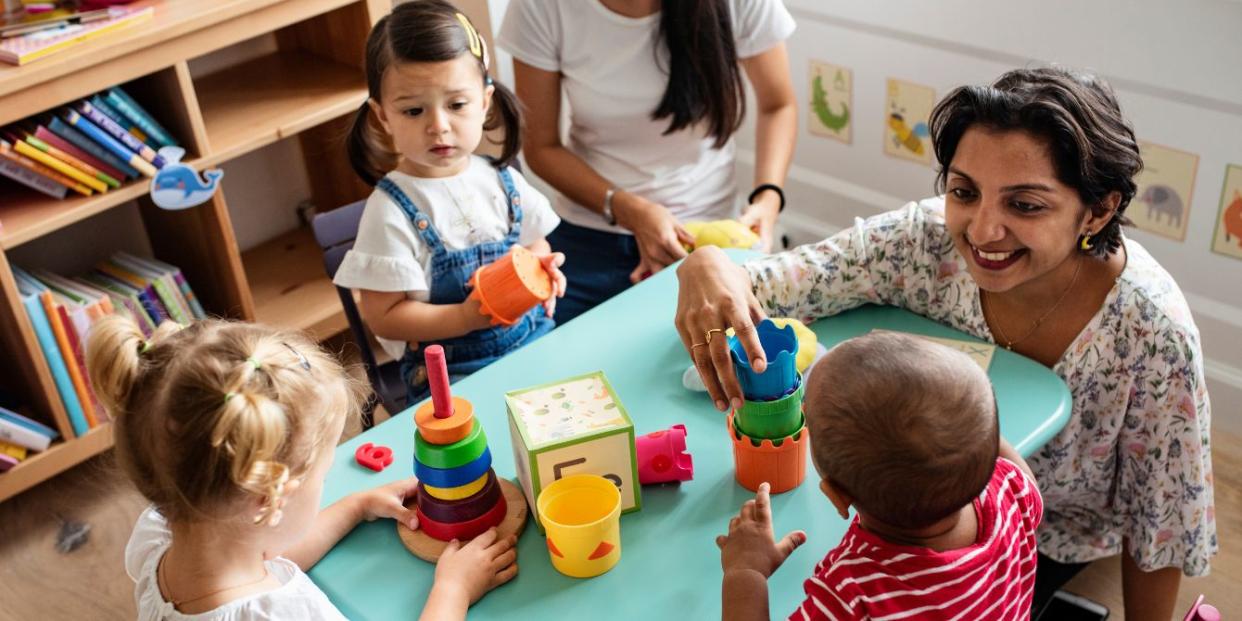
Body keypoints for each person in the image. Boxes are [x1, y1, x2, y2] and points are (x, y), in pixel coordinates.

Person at [677, 67, 1215, 620]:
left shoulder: (1153, 332)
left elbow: (1163, 521)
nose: (981, 232)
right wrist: (706, 262)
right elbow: (775, 282)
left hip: (1051, 538)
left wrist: (745, 577)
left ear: (1098, 210)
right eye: (964, 191)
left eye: (1025, 205)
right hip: (950, 520)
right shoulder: (920, 242)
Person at [85, 316, 517, 620]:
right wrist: (452, 592)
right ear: (269, 497)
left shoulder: (160, 536)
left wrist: (355, 505)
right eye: (323, 476)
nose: (326, 484)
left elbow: (265, 553)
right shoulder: (285, 614)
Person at [498, 0, 798, 323]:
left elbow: (778, 105)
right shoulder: (541, 7)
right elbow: (541, 147)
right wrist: (629, 209)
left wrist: (768, 199)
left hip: (706, 236)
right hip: (590, 234)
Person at [717, 332, 1043, 620]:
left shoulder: (854, 595)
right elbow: (1000, 456)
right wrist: (960, 420)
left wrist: (746, 571)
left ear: (837, 496)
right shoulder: (1012, 493)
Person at [337, 1, 566, 403]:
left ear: (485, 101)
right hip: (452, 374)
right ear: (382, 117)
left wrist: (540, 270)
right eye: (413, 110)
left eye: (456, 104)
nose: (438, 125)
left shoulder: (502, 180)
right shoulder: (390, 210)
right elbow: (384, 317)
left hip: (533, 339)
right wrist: (463, 318)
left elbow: (534, 243)